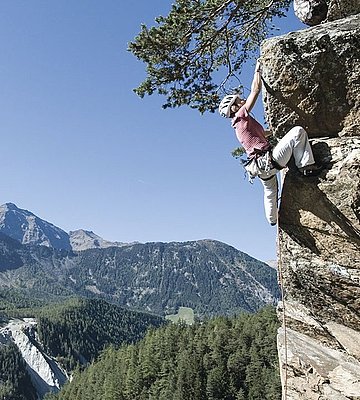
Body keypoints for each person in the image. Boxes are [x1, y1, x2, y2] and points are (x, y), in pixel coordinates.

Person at [218, 59, 322, 226]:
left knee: (270, 192)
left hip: (260, 167)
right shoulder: (241, 116)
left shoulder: (239, 126)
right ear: (234, 108)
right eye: (238, 101)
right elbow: (256, 90)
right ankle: (306, 166)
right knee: (298, 132)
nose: (242, 101)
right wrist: (257, 71)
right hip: (269, 160)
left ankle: (272, 220)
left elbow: (263, 133)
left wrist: (276, 131)